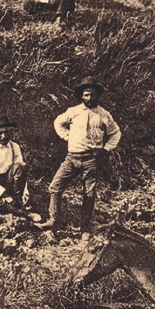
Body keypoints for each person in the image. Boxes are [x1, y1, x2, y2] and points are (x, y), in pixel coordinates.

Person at [41, 76, 122, 240]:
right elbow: (58, 123)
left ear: (97, 95)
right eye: (86, 95)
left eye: (92, 94)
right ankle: (53, 221)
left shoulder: (104, 114)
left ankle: (85, 228)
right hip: (71, 158)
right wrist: (67, 137)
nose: (89, 98)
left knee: (89, 194)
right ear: (81, 96)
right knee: (55, 187)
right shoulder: (73, 111)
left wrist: (106, 149)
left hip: (91, 159)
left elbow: (115, 133)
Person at [0, 116, 36, 218]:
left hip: (9, 181)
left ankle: (17, 201)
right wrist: (4, 194)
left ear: (10, 132)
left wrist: (25, 193)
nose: (4, 136)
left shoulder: (15, 147)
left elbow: (21, 171)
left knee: (20, 166)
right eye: (0, 133)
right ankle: (24, 213)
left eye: (7, 132)